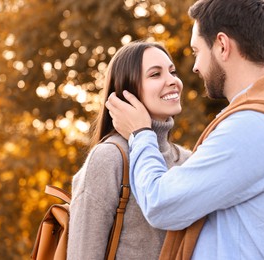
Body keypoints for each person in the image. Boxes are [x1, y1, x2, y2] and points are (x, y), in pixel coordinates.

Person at [105, 0, 264, 259]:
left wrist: (140, 134)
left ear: (222, 45)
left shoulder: (252, 127)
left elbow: (160, 203)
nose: (195, 66)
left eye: (196, 51)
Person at [67, 41, 191, 259]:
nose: (173, 81)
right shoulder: (109, 158)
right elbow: (83, 253)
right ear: (128, 90)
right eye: (155, 75)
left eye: (172, 72)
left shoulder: (188, 159)